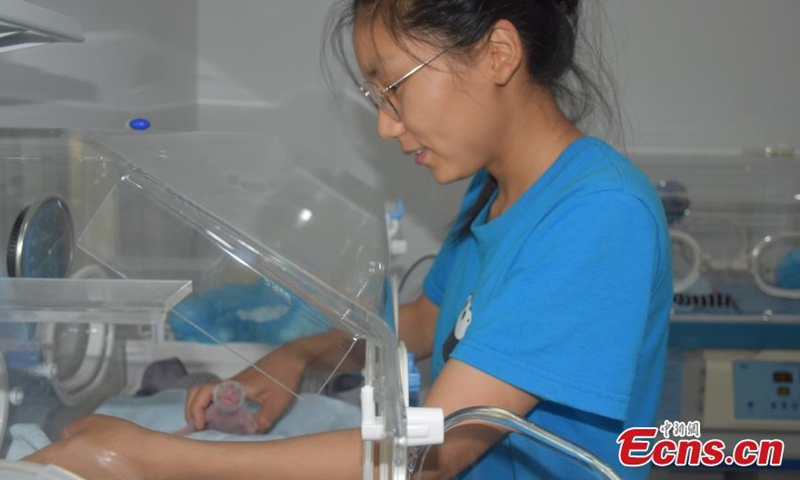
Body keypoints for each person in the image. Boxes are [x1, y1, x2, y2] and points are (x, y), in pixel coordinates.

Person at [26, 0, 672, 478]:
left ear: (499, 54)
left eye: (394, 89)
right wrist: (299, 356)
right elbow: (429, 321)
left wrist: (154, 458)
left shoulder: (600, 215)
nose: (387, 127)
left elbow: (432, 452)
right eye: (375, 97)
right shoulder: (498, 187)